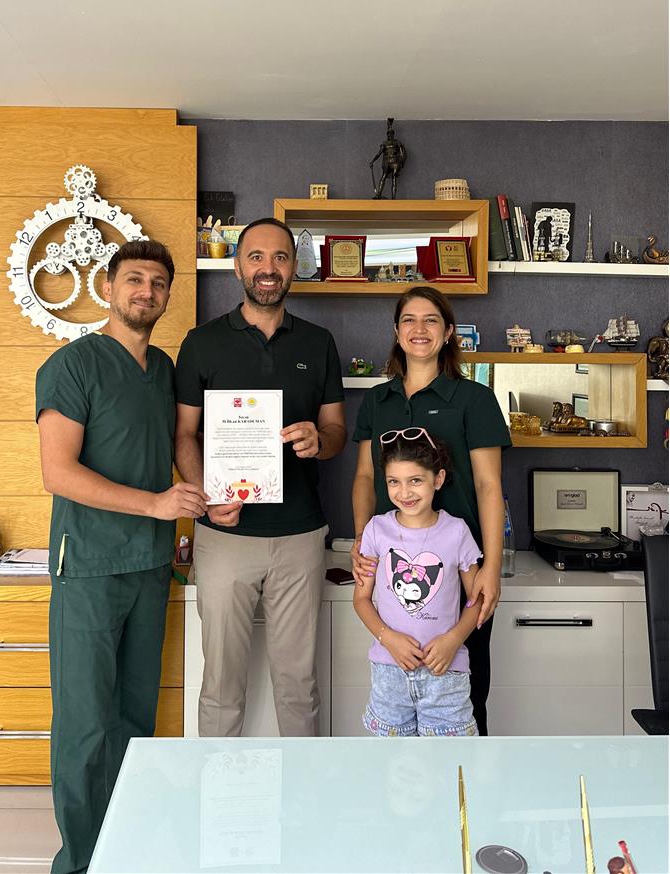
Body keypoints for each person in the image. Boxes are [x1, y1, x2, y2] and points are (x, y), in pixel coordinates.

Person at [36, 239, 207, 874]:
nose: (146, 292)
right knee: (85, 724)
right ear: (108, 288)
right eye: (134, 279)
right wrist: (157, 505)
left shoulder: (163, 369)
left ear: (168, 296)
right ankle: (79, 862)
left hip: (150, 566)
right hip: (88, 567)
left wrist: (210, 497)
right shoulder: (72, 366)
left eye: (158, 283)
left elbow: (178, 445)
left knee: (134, 718)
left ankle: (122, 846)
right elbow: (58, 472)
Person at [175, 217, 347, 737]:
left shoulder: (318, 342)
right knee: (221, 684)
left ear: (294, 267)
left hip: (301, 536)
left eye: (279, 258)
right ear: (237, 267)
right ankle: (216, 782)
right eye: (256, 257)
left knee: (299, 684)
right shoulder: (201, 342)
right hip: (224, 535)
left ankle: (303, 783)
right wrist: (207, 498)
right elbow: (183, 435)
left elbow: (336, 429)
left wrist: (320, 441)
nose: (268, 268)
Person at [351, 286, 510, 735]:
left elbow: (489, 485)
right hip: (393, 570)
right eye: (409, 320)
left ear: (449, 332)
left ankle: (465, 780)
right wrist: (362, 541)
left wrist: (491, 567)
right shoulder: (376, 401)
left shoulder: (474, 399)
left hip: (462, 570)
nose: (419, 329)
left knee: (466, 697)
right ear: (396, 332)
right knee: (396, 702)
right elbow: (363, 477)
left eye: (431, 320)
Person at [354, 428, 481, 737]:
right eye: (393, 482)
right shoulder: (376, 530)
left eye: (415, 481)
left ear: (437, 479)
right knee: (393, 763)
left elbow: (477, 598)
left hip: (445, 673)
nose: (404, 492)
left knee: (449, 761)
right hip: (389, 673)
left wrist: (453, 640)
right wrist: (388, 638)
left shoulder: (457, 532)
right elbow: (361, 599)